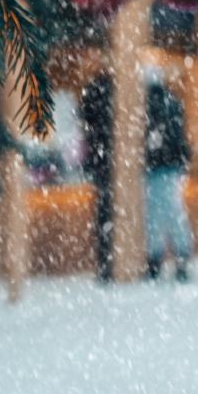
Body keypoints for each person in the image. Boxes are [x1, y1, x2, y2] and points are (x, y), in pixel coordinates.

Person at [144, 81, 193, 281]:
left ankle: (157, 260)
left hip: (158, 169)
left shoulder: (150, 106)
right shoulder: (173, 104)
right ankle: (180, 258)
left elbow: (159, 139)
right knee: (173, 214)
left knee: (156, 217)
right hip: (170, 168)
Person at [81, 74, 114, 283]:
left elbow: (85, 123)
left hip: (101, 164)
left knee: (104, 215)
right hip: (111, 163)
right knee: (109, 214)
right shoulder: (113, 95)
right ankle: (109, 263)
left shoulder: (91, 96)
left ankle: (105, 264)